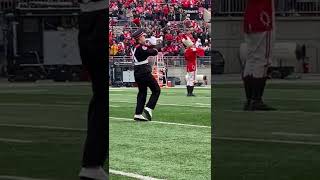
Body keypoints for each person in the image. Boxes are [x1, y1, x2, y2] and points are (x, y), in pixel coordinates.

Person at [78, 0, 108, 179]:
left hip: (87, 18)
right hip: (102, 17)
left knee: (101, 94)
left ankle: (92, 163)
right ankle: (92, 163)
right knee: (104, 95)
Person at [242, 0, 276, 111]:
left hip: (250, 17)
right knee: (262, 60)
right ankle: (256, 100)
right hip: (262, 17)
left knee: (251, 59)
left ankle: (250, 99)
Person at [131, 29, 161, 121]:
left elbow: (146, 48)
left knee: (142, 93)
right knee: (156, 90)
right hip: (144, 71)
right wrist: (156, 44)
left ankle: (138, 113)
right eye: (143, 36)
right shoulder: (141, 47)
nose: (145, 37)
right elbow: (154, 52)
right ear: (140, 38)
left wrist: (151, 44)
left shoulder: (135, 47)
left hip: (137, 72)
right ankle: (149, 108)